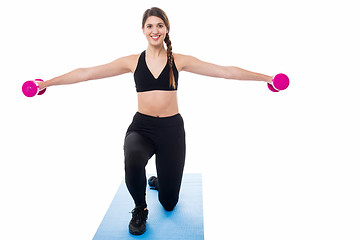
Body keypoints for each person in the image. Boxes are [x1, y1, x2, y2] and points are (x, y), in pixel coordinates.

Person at [37, 7, 273, 235]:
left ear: (167, 29)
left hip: (172, 131)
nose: (155, 30)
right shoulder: (132, 61)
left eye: (160, 25)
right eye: (150, 25)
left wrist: (267, 79)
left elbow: (225, 71)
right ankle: (140, 208)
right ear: (143, 30)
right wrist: (46, 83)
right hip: (142, 128)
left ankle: (162, 182)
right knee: (133, 156)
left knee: (170, 203)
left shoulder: (179, 60)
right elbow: (86, 73)